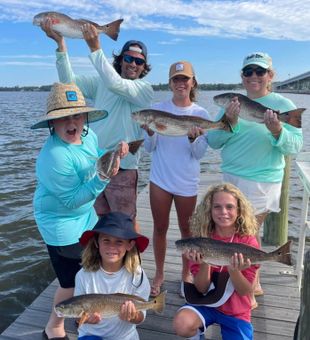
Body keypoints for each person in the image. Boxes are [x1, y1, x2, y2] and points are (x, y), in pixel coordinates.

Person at [195, 52, 303, 306]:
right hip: (231, 179)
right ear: (242, 77)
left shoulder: (284, 105)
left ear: (270, 75)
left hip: (264, 180)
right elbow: (213, 141)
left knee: (249, 231)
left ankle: (251, 283)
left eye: (260, 71)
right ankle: (245, 278)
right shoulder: (230, 105)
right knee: (235, 231)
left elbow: (294, 146)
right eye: (248, 72)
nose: (254, 76)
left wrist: (278, 129)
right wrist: (229, 121)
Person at [32, 82, 128, 340]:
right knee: (70, 281)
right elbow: (73, 199)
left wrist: (112, 154)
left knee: (89, 268)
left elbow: (95, 155)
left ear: (85, 117)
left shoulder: (88, 136)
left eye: (77, 114)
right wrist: (104, 177)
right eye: (63, 118)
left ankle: (82, 314)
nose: (71, 122)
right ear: (52, 124)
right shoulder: (54, 157)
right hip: (60, 222)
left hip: (85, 216)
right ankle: (54, 327)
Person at [39, 19, 154, 231]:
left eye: (139, 62)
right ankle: (103, 263)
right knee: (100, 222)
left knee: (125, 223)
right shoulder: (102, 82)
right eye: (129, 58)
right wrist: (61, 47)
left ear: (144, 67)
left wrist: (95, 48)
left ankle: (134, 264)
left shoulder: (145, 89)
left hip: (125, 167)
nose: (133, 64)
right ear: (120, 60)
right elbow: (69, 83)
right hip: (95, 165)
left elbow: (116, 84)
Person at [142, 61, 210, 297]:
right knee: (160, 228)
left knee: (186, 231)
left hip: (186, 182)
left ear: (193, 82)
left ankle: (186, 272)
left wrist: (193, 139)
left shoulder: (201, 114)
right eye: (176, 79)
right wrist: (149, 132)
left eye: (185, 79)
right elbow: (149, 149)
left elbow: (199, 154)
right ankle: (159, 273)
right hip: (160, 179)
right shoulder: (156, 109)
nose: (181, 83)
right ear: (170, 83)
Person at [173, 183, 259, 340]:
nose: (223, 212)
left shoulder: (248, 242)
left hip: (236, 309)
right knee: (182, 324)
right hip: (207, 303)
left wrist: (234, 270)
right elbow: (201, 288)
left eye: (229, 207)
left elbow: (245, 291)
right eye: (217, 207)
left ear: (239, 210)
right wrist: (205, 261)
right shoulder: (201, 240)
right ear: (209, 210)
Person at [76, 211, 150, 340]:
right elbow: (77, 312)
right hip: (91, 335)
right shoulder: (83, 275)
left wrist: (133, 316)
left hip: (125, 337)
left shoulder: (138, 275)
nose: (112, 247)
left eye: (119, 242)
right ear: (97, 242)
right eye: (106, 240)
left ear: (129, 245)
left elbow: (141, 317)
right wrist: (85, 320)